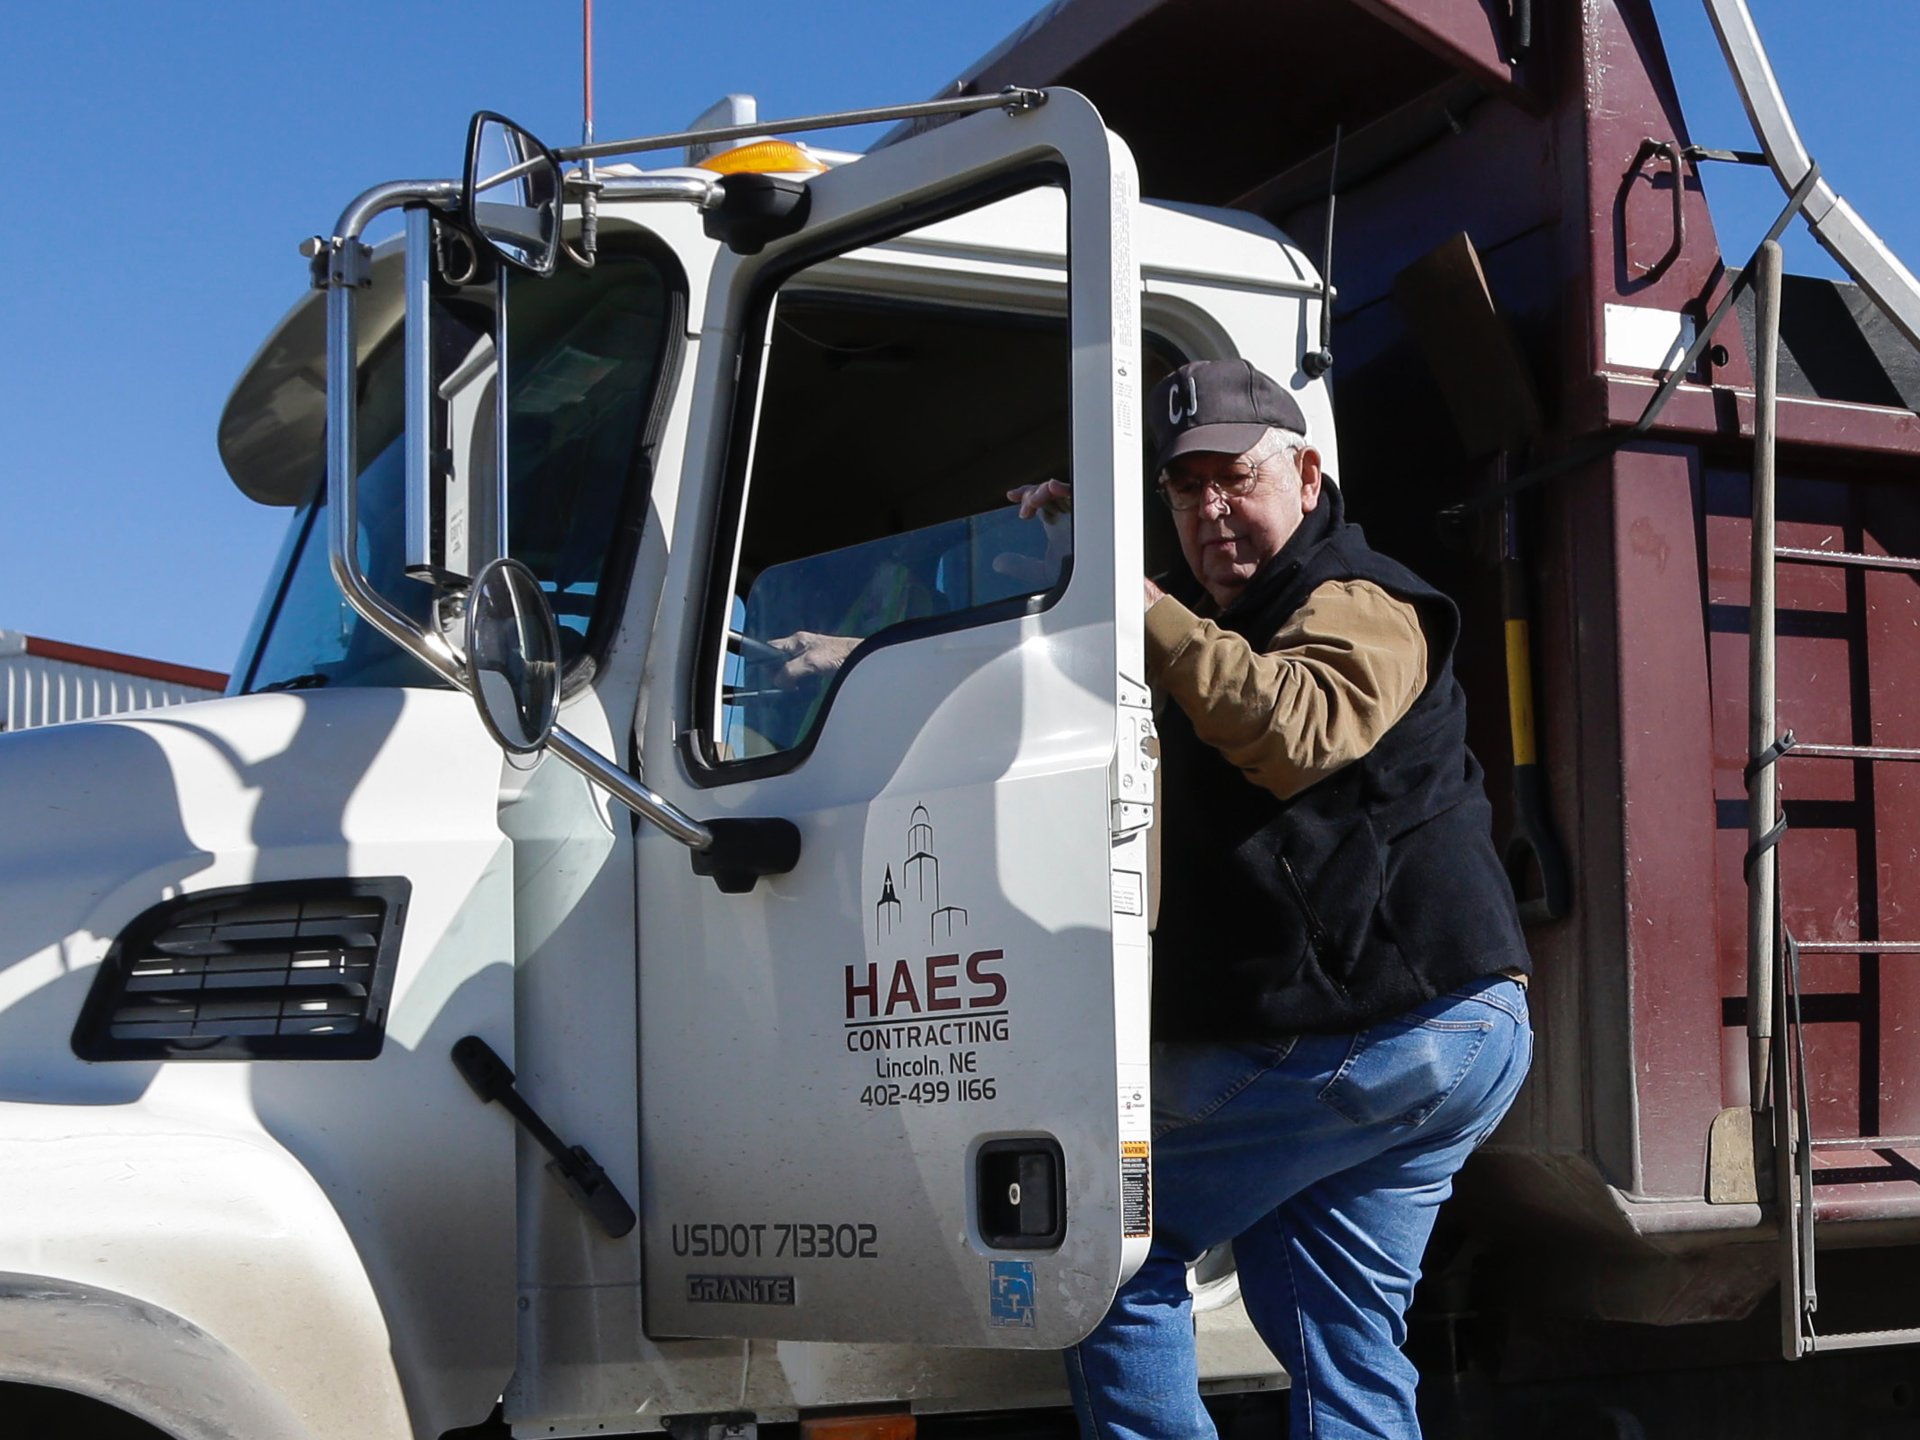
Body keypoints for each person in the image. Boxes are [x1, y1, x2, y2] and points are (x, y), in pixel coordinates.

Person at [1062, 358, 1533, 1440]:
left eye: (1236, 477)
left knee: (1100, 1242)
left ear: (1308, 477)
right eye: (1185, 492)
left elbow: (1296, 726)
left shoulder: (1363, 598)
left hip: (1381, 1028)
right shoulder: (1230, 617)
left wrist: (1148, 610)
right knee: (1327, 1319)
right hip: (1423, 1032)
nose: (1212, 510)